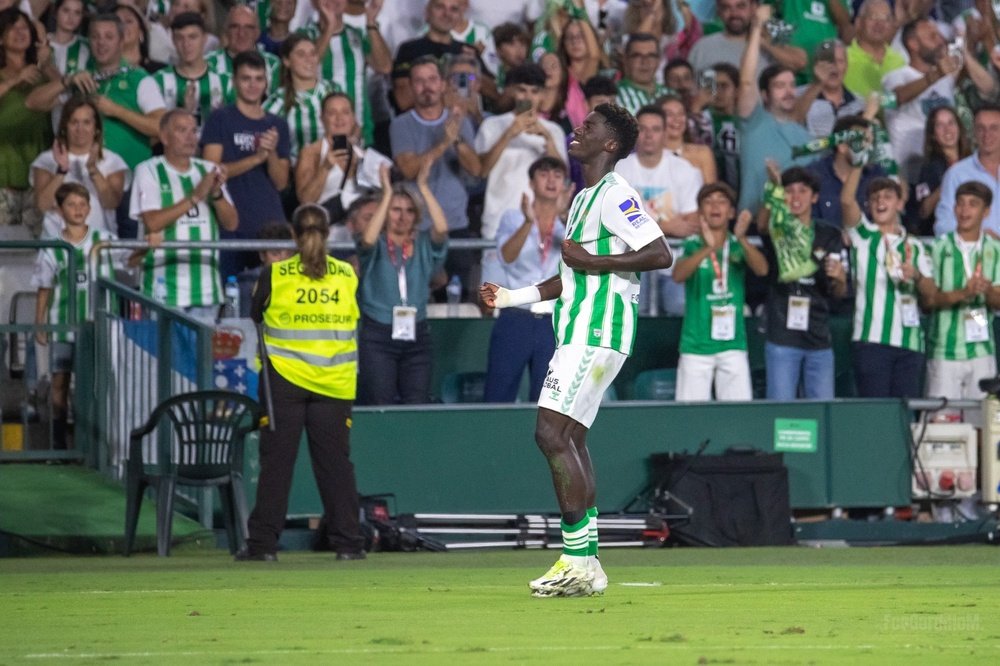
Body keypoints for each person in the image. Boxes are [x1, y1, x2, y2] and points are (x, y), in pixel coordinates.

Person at [480, 103, 673, 597]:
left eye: (589, 127)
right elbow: (569, 275)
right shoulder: (585, 198)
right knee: (569, 440)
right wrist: (511, 297)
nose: (577, 129)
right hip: (582, 329)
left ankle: (575, 559)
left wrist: (595, 258)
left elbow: (659, 252)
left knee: (550, 433)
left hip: (597, 330)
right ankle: (586, 562)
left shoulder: (614, 193)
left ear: (610, 145)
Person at [240, 204, 366, 562]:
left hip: (284, 381)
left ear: (293, 236)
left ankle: (262, 547)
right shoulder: (346, 274)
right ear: (327, 235)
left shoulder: (275, 273)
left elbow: (256, 315)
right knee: (337, 466)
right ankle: (348, 545)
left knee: (277, 464)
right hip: (335, 382)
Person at [130, 109, 238, 321]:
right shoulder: (148, 170)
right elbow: (152, 223)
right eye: (181, 130)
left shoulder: (209, 169)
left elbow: (232, 223)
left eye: (193, 131)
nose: (191, 137)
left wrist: (216, 194)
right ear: (164, 137)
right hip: (163, 290)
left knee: (202, 355)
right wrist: (195, 197)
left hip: (207, 291)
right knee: (165, 354)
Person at [26, 12, 167, 173]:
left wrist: (116, 110)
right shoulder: (81, 78)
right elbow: (32, 103)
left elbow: (161, 127)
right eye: (95, 37)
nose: (101, 43)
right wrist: (66, 81)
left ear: (121, 42)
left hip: (129, 177)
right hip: (83, 182)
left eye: (109, 37)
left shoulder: (139, 79)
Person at [355, 162, 448, 405]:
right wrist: (386, 194)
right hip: (378, 333)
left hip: (417, 333)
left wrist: (423, 187)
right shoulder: (376, 245)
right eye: (395, 209)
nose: (402, 216)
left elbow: (442, 228)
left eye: (409, 210)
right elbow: (366, 238)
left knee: (417, 404)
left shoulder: (424, 244)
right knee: (380, 403)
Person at [32, 182, 115, 449]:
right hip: (63, 324)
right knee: (60, 382)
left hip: (96, 325)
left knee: (93, 384)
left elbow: (132, 261)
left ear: (90, 208)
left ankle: (92, 445)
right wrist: (40, 323)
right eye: (71, 204)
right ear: (59, 210)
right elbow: (44, 288)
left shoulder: (106, 240)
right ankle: (59, 445)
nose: (78, 210)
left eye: (82, 205)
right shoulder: (51, 247)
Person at [841, 159, 933, 399]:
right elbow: (846, 201)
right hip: (872, 342)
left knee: (905, 417)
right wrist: (858, 163)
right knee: (876, 415)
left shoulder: (915, 246)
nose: (880, 202)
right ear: (869, 206)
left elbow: (931, 293)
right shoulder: (863, 236)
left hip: (910, 344)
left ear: (900, 203)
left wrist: (917, 276)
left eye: (887, 196)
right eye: (875, 198)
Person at [390, 55, 481, 296]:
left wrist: (457, 139)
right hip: (415, 229)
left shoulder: (460, 122)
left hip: (456, 226)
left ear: (442, 84)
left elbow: (476, 169)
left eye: (432, 79)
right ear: (410, 87)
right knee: (415, 297)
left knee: (458, 301)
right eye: (419, 81)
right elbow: (409, 169)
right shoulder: (400, 125)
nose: (427, 86)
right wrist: (444, 143)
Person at [672, 182, 768, 401]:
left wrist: (743, 238)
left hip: (732, 344)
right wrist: (708, 248)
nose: (715, 206)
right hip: (696, 346)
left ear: (731, 212)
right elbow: (678, 275)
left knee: (737, 416)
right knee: (690, 418)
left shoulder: (737, 244)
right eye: (708, 201)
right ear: (700, 212)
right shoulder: (692, 244)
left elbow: (762, 269)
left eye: (722, 201)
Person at [484, 156, 568, 402]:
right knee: (498, 395)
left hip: (554, 322)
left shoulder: (573, 223)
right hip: (515, 318)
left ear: (564, 184)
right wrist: (528, 222)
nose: (551, 180)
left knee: (547, 402)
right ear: (531, 183)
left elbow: (580, 261)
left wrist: (563, 220)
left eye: (557, 176)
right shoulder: (513, 217)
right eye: (543, 174)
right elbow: (507, 257)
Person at [760, 164, 846, 400]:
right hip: (782, 338)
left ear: (815, 197)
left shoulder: (830, 235)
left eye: (802, 191)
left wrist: (840, 277)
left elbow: (839, 292)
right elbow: (761, 225)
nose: (795, 197)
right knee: (780, 412)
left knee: (822, 413)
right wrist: (773, 189)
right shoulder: (777, 228)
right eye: (789, 191)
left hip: (819, 339)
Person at [202, 50, 291, 280]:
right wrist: (256, 158)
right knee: (232, 300)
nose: (253, 85)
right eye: (246, 78)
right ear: (234, 81)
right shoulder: (220, 119)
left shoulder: (277, 125)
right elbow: (210, 173)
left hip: (270, 225)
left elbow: (281, 183)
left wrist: (269, 154)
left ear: (266, 82)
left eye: (259, 79)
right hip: (231, 225)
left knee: (276, 298)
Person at [883, 18, 996, 183]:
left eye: (939, 35)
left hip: (943, 170)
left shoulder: (945, 78)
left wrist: (964, 50)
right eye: (932, 37)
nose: (941, 41)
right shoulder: (896, 77)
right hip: (908, 175)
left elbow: (989, 88)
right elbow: (897, 97)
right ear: (913, 44)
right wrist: (935, 75)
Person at [615, 104, 702, 315]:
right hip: (631, 262)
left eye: (655, 129)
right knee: (632, 313)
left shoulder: (685, 170)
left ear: (665, 133)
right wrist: (666, 226)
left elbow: (690, 223)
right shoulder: (618, 170)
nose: (648, 135)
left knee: (679, 307)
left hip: (674, 260)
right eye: (642, 129)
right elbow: (617, 221)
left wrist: (642, 226)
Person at [922, 182, 1000, 405]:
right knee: (941, 425)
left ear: (986, 212)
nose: (965, 211)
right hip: (944, 352)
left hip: (982, 353)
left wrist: (985, 292)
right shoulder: (937, 248)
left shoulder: (995, 250)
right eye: (960, 204)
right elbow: (928, 300)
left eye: (973, 205)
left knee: (982, 424)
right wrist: (965, 292)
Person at [475, 62, 568, 244]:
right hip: (497, 223)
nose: (528, 97)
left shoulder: (553, 131)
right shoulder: (492, 125)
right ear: (511, 92)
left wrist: (548, 140)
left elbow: (562, 177)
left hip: (540, 224)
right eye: (522, 90)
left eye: (534, 91)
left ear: (542, 95)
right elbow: (481, 171)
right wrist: (509, 134)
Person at [735, 3, 813, 214]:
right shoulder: (753, 121)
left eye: (792, 85)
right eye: (780, 86)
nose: (789, 92)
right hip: (751, 224)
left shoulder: (807, 138)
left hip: (793, 228)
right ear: (765, 94)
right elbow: (746, 82)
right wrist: (757, 27)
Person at [30, 97, 129, 237]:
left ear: (96, 128)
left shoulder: (113, 161)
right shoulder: (45, 160)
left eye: (86, 122)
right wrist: (61, 172)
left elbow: (111, 203)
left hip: (98, 243)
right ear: (65, 126)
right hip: (56, 244)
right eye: (74, 122)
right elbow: (42, 206)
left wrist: (93, 170)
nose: (80, 129)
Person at [302, 0, 391, 146]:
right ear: (314, 3)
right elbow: (308, 67)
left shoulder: (357, 35)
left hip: (360, 134)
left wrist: (370, 22)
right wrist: (330, 27)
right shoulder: (304, 36)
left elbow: (384, 67)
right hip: (317, 136)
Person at [296, 91, 387, 221]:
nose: (339, 118)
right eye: (332, 113)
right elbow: (306, 201)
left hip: (360, 231)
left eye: (345, 112)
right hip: (325, 229)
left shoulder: (365, 156)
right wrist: (325, 168)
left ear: (353, 117)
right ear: (322, 118)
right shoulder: (311, 153)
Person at [0, 7, 53, 231]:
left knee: (34, 253)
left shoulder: (42, 72)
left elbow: (66, 92)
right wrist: (14, 80)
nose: (20, 32)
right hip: (3, 175)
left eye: (24, 27)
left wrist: (48, 64)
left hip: (37, 175)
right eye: (12, 28)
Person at [262, 33, 339, 163]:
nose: (309, 59)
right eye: (301, 55)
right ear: (287, 61)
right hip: (297, 176)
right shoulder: (278, 101)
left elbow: (354, 128)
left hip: (336, 171)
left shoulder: (333, 90)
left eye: (313, 54)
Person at [153, 12, 234, 135]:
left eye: (192, 37)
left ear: (205, 39)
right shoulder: (158, 81)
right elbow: (153, 130)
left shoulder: (226, 82)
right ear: (173, 41)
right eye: (180, 38)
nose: (186, 44)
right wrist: (183, 112)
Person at [392, 0, 474, 113]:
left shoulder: (467, 51)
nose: (447, 14)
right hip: (422, 125)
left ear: (460, 16)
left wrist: (471, 74)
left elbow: (491, 93)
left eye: (453, 9)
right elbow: (404, 101)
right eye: (440, 7)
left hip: (462, 121)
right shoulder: (409, 49)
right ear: (427, 13)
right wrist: (450, 94)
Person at [688, 0, 805, 77]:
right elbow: (703, 92)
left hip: (765, 112)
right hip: (721, 114)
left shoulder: (772, 38)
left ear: (755, 7)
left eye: (741, 6)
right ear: (719, 11)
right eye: (726, 7)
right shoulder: (703, 47)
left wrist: (761, 41)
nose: (734, 14)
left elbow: (799, 63)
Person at [935, 105, 1000, 237]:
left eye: (994, 128)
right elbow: (943, 225)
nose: (987, 135)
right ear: (974, 132)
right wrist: (978, 236)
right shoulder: (956, 174)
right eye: (981, 128)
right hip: (974, 254)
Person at [909, 106, 971, 236]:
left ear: (959, 127)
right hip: (943, 237)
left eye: (951, 123)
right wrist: (949, 179)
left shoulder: (974, 161)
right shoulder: (929, 168)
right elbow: (923, 211)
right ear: (933, 135)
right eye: (940, 125)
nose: (947, 129)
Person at [792, 40, 865, 140]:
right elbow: (791, 121)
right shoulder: (797, 94)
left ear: (846, 66)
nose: (834, 66)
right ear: (815, 66)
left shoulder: (858, 102)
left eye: (839, 61)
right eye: (828, 61)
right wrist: (817, 84)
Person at [205, 6, 281, 95]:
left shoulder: (273, 65)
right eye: (235, 27)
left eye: (248, 27)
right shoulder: (208, 63)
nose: (241, 34)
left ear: (257, 33)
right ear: (226, 31)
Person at [843, 0, 906, 98]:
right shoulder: (843, 59)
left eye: (886, 19)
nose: (879, 24)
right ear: (858, 23)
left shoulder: (901, 61)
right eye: (873, 17)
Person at [615, 33, 670, 115]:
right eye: (637, 56)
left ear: (659, 60)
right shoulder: (613, 96)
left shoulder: (670, 95)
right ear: (625, 59)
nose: (644, 62)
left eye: (651, 56)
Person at [115, 2, 166, 74]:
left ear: (141, 32)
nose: (123, 26)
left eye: (129, 21)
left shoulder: (160, 72)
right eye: (117, 22)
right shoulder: (101, 70)